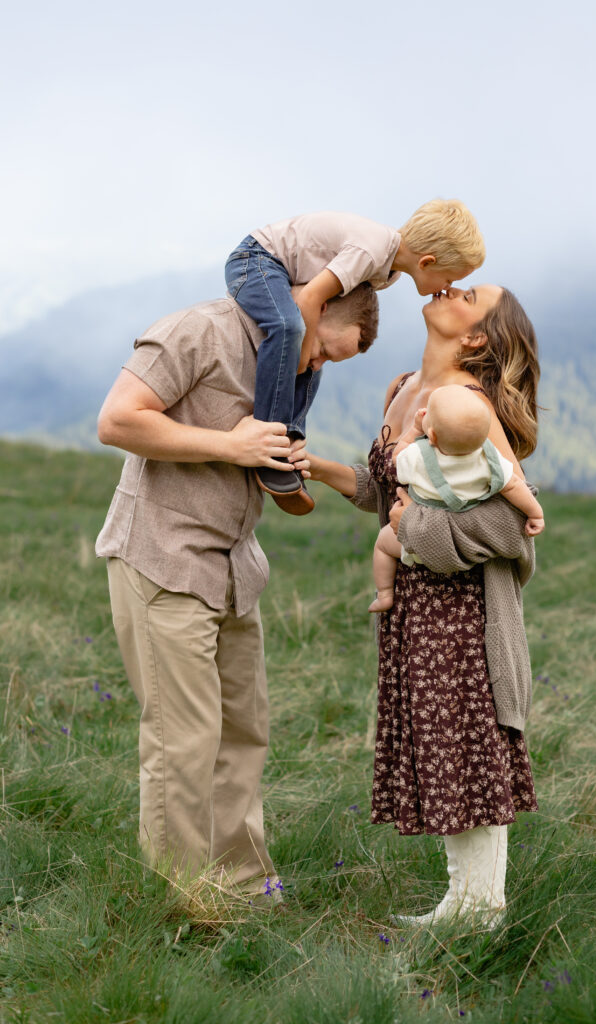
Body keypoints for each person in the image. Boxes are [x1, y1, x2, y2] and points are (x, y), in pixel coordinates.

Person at [94, 284, 379, 898]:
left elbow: (281, 491)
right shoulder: (196, 331)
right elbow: (115, 421)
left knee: (243, 731)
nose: (320, 367)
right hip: (164, 559)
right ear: (314, 309)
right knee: (184, 741)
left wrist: (292, 473)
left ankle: (244, 884)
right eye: (328, 351)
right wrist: (234, 445)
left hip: (235, 571)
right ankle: (186, 899)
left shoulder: (288, 368)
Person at [298, 284, 540, 927]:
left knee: (469, 750)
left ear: (476, 337)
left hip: (465, 613)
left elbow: (513, 529)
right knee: (440, 748)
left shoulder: (472, 407)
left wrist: (412, 533)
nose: (450, 285)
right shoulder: (404, 388)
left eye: (472, 294)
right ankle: (463, 901)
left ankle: (480, 910)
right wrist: (318, 468)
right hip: (412, 608)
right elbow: (391, 492)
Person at [224, 200, 485, 508]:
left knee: (314, 359)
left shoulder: (387, 274)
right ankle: (267, 441)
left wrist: (309, 359)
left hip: (279, 273)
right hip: (255, 260)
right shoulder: (372, 252)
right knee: (290, 330)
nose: (448, 288)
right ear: (427, 262)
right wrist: (300, 359)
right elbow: (310, 297)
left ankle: (291, 438)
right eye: (450, 279)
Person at [369, 383, 545, 612]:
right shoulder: (487, 459)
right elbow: (513, 486)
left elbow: (397, 457)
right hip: (463, 547)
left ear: (431, 435)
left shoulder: (420, 458)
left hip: (419, 538)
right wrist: (535, 513)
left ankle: (384, 594)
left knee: (383, 545)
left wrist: (413, 430)